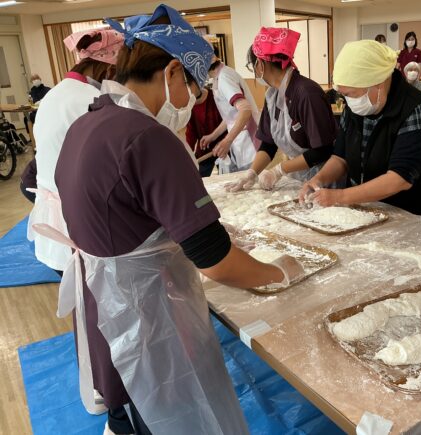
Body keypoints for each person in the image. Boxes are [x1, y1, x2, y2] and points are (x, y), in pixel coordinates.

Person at [39, 5, 303, 434]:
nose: (192, 102)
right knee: (168, 417)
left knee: (129, 413)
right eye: (194, 90)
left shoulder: (89, 122)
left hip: (105, 306)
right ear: (173, 72)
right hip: (148, 320)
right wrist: (278, 273)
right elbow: (215, 259)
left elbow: (124, 215)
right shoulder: (147, 138)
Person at [299, 40, 421, 220]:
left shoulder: (416, 108)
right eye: (344, 95)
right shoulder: (355, 107)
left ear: (378, 83)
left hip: (408, 212)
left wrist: (340, 196)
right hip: (364, 208)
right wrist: (318, 180)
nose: (349, 101)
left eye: (351, 94)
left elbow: (399, 179)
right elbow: (340, 157)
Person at [27, 28, 123, 274]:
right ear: (108, 68)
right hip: (79, 219)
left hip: (53, 218)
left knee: (77, 289)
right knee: (94, 289)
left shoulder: (55, 93)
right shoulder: (92, 99)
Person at [226, 27, 337, 192]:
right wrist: (251, 173)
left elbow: (323, 150)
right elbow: (268, 144)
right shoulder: (272, 95)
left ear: (260, 64)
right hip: (298, 178)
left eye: (252, 66)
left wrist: (279, 170)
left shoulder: (307, 93)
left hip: (323, 178)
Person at [200, 52, 259, 174]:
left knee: (251, 179)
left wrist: (227, 140)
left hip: (248, 143)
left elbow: (245, 109)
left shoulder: (224, 78)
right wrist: (213, 136)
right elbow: (231, 116)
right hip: (241, 141)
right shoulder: (218, 77)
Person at [185, 87, 225, 177]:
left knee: (226, 176)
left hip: (224, 148)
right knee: (198, 177)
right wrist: (188, 154)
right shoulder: (189, 106)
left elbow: (229, 120)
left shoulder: (215, 97)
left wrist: (223, 141)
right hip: (204, 150)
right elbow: (191, 134)